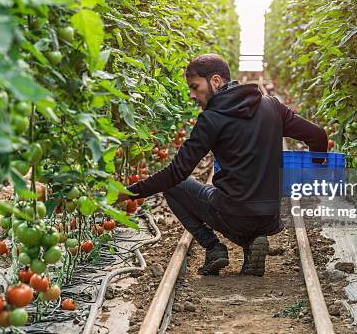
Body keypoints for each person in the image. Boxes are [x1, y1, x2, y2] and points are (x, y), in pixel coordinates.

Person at [121, 54, 328, 276]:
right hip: (271, 217)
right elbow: (317, 135)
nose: (192, 95)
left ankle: (213, 247)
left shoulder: (211, 119)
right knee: (237, 209)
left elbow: (176, 173)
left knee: (173, 186)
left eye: (194, 86)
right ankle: (251, 243)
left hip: (233, 214)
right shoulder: (272, 106)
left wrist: (129, 192)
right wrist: (315, 167)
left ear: (216, 81)